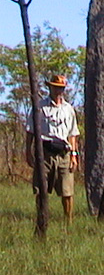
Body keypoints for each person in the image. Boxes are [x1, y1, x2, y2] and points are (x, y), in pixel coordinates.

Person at [25, 74, 80, 224]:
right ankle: (42, 220)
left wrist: (74, 155)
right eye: (56, 87)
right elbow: (30, 131)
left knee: (67, 192)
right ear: (50, 87)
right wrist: (28, 152)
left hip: (64, 154)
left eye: (61, 88)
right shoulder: (40, 107)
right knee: (41, 190)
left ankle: (68, 223)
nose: (58, 90)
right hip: (45, 153)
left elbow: (73, 134)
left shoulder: (69, 109)